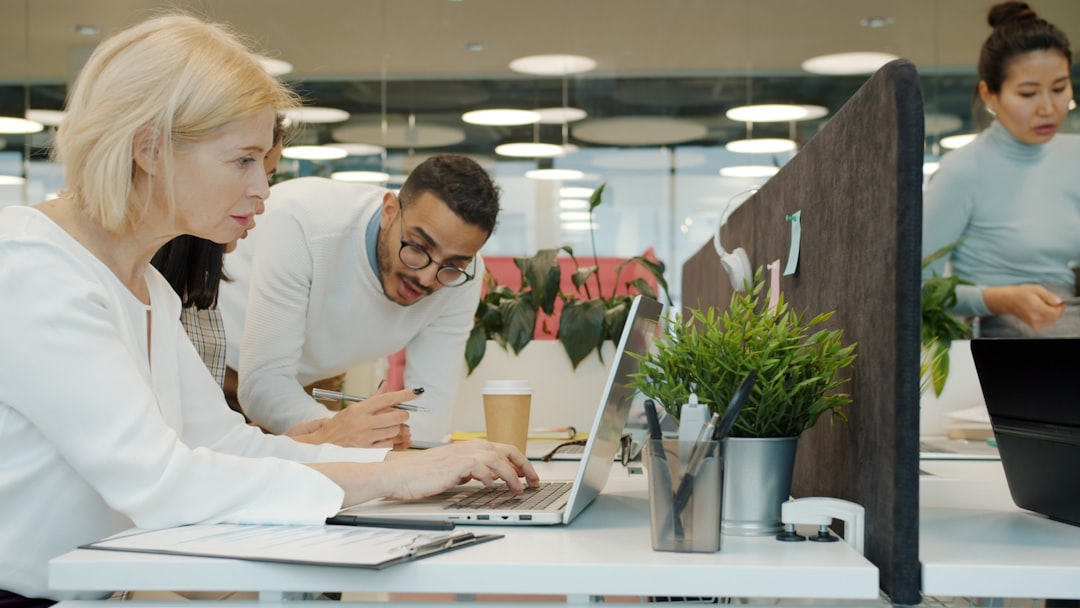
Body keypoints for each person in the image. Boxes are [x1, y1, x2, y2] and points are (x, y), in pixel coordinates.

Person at [0, 14, 537, 606]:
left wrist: (409, 466)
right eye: (243, 161)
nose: (262, 188)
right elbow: (163, 481)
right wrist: (392, 474)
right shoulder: (33, 268)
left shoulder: (146, 284)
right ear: (150, 148)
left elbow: (229, 445)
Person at [218, 154, 499, 445]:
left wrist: (388, 439)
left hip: (310, 383)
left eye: (453, 264)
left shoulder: (462, 278)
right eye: (418, 247)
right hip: (220, 367)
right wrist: (357, 435)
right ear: (389, 211)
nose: (427, 278)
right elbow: (263, 384)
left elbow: (430, 407)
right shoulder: (305, 221)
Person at [922, 1, 1080, 338]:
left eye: (1059, 88)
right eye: (1028, 93)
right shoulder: (962, 170)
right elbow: (918, 288)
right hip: (998, 343)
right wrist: (999, 299)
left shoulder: (1075, 155)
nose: (1048, 108)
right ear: (989, 95)